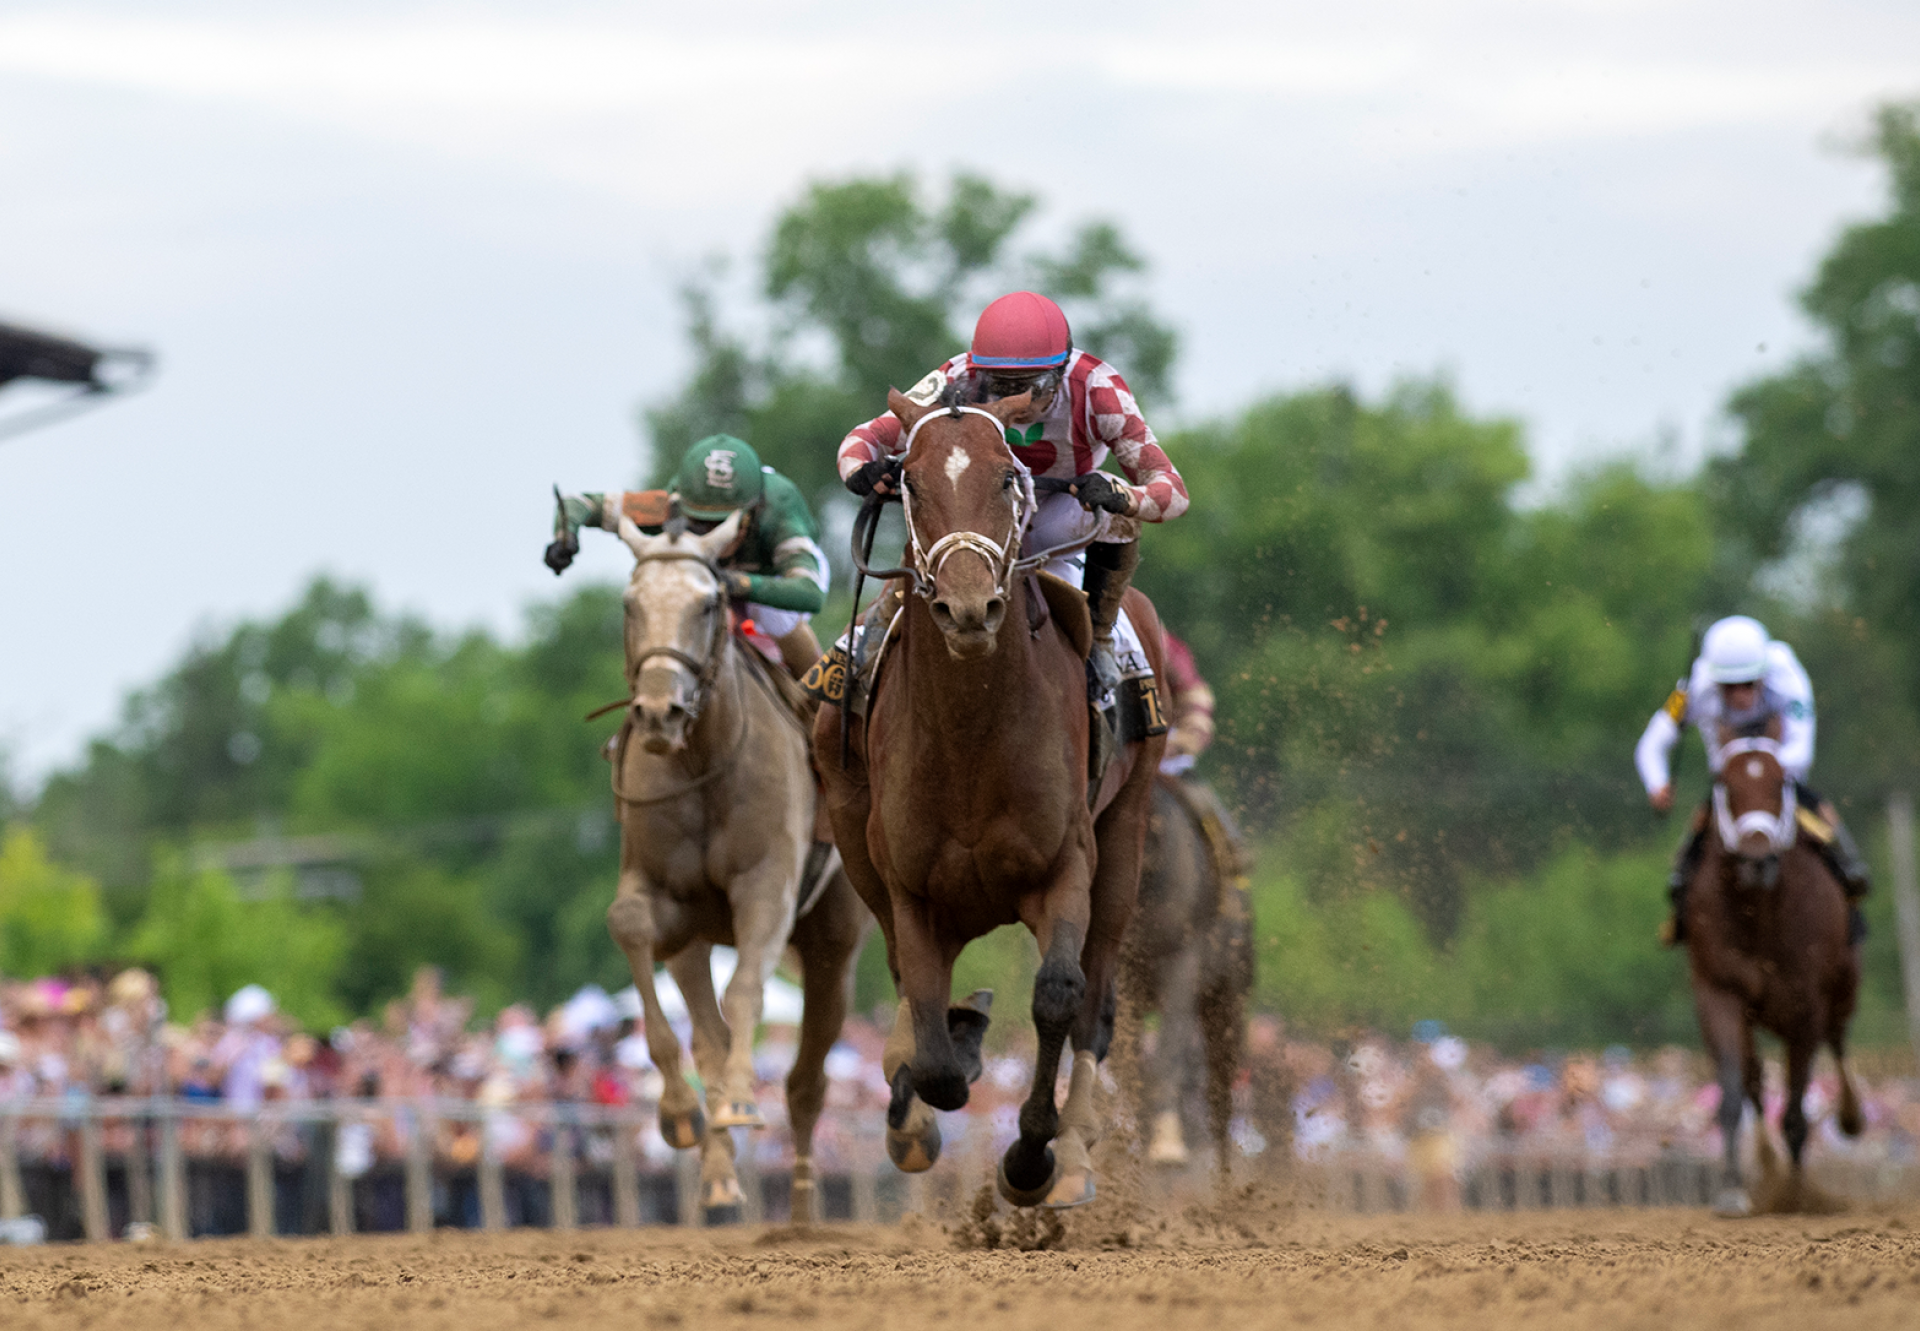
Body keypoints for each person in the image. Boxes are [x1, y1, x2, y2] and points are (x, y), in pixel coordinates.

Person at [836, 291, 1187, 704]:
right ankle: (880, 618)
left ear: (1062, 370)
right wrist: (861, 472)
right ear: (978, 369)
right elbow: (864, 438)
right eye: (1000, 386)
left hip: (1059, 512)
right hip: (975, 511)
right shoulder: (956, 379)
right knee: (932, 500)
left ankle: (1101, 636)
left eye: (1033, 386)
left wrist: (1121, 494)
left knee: (1120, 516)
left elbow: (1172, 491)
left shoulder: (1098, 390)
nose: (1017, 402)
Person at [1634, 614, 1871, 946]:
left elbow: (1801, 750)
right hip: (1728, 784)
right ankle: (1680, 906)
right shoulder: (1691, 688)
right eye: (1729, 687)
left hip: (1781, 776)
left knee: (1822, 818)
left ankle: (1849, 876)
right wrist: (1657, 783)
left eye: (1749, 684)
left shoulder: (1787, 673)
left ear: (1763, 675)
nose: (1740, 695)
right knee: (1689, 851)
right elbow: (1650, 746)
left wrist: (1763, 772)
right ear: (1714, 680)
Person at [544, 436, 830, 680]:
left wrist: (737, 584)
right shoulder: (668, 506)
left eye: (719, 525)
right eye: (698, 522)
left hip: (771, 577)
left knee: (775, 617)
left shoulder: (778, 512)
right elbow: (577, 504)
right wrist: (565, 537)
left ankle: (821, 703)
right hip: (706, 574)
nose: (709, 534)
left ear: (750, 515)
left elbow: (809, 593)